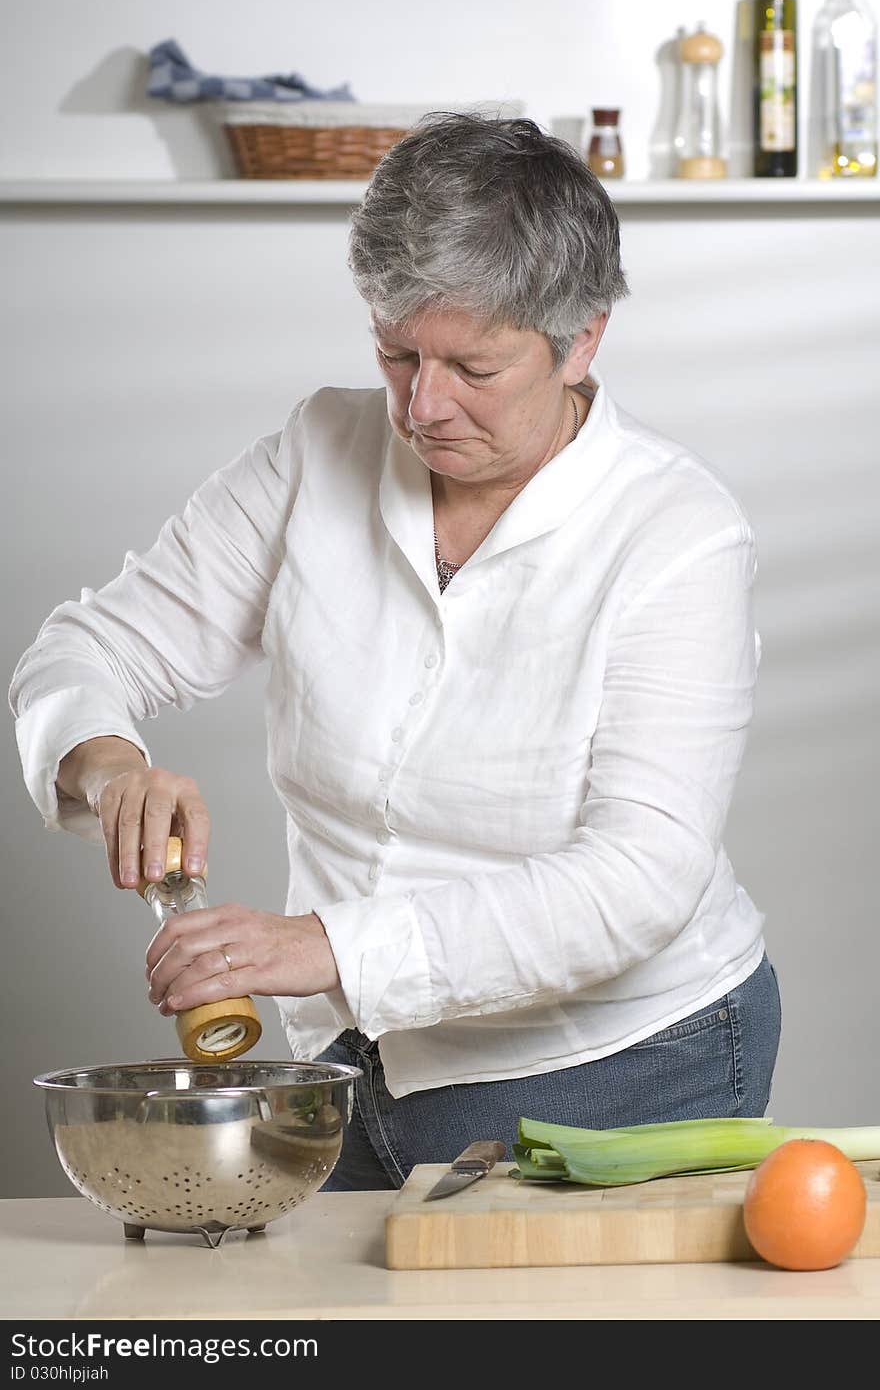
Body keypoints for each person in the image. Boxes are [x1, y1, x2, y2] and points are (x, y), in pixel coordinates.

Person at [9, 113, 780, 1191]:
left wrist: (326, 946)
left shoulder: (676, 533)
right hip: (351, 1057)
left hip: (623, 1061)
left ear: (583, 338)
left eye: (472, 365)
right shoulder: (318, 451)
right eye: (395, 352)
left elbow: (636, 880)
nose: (422, 406)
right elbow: (83, 647)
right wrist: (107, 761)